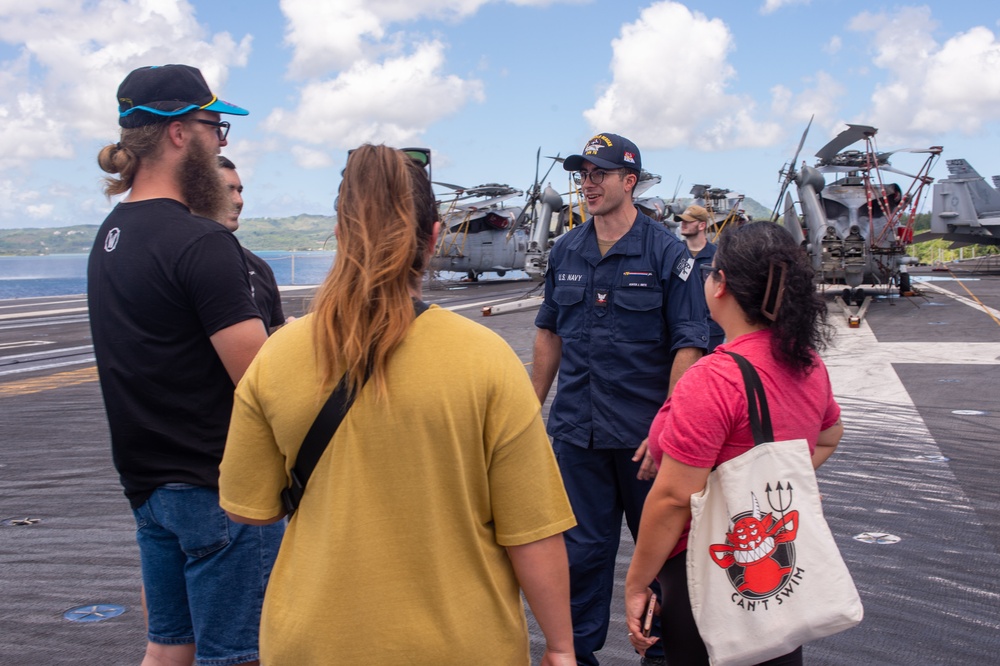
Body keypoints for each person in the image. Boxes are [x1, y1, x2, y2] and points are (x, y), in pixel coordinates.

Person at [218, 144, 578, 665]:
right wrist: (562, 647)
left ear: (340, 235)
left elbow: (245, 508)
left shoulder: (278, 356)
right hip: (463, 647)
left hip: (313, 644)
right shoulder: (488, 359)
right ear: (433, 238)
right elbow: (533, 533)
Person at [87, 64, 283, 666]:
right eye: (214, 126)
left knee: (169, 647)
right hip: (217, 488)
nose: (220, 140)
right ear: (178, 132)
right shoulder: (201, 242)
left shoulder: (111, 235)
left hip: (148, 488)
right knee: (237, 654)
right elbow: (263, 380)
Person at [624, 221, 844, 665]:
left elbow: (671, 500)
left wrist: (635, 583)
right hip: (781, 562)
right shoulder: (806, 362)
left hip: (707, 568)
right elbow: (827, 437)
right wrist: (772, 487)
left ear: (720, 285)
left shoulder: (714, 378)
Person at [532, 133, 709, 665]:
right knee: (579, 557)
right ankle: (576, 656)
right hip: (577, 437)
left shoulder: (666, 250)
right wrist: (525, 412)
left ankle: (660, 657)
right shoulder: (566, 250)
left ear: (628, 181)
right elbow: (548, 334)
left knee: (660, 561)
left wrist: (670, 430)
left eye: (599, 174)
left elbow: (690, 342)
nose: (587, 184)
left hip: (644, 442)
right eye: (582, 174)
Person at [216, 155, 287, 330]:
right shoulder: (184, 261)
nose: (238, 201)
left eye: (239, 191)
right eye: (227, 190)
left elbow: (274, 329)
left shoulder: (259, 267)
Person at [677, 204, 725, 352]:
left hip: (711, 331)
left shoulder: (717, 256)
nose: (683, 224)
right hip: (681, 328)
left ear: (702, 225)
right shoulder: (675, 253)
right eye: (682, 221)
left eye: (689, 221)